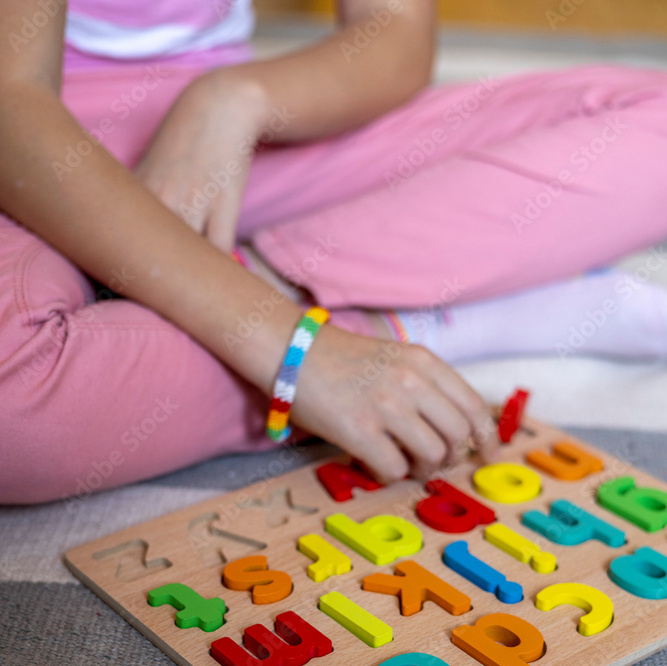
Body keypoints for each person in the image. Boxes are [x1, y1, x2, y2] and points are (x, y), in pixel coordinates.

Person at [1, 0, 667, 505]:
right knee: (14, 417)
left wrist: (235, 99)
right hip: (39, 153)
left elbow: (395, 34)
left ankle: (251, 282)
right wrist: (297, 355)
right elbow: (11, 101)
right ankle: (408, 324)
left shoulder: (235, 105)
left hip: (236, 138)